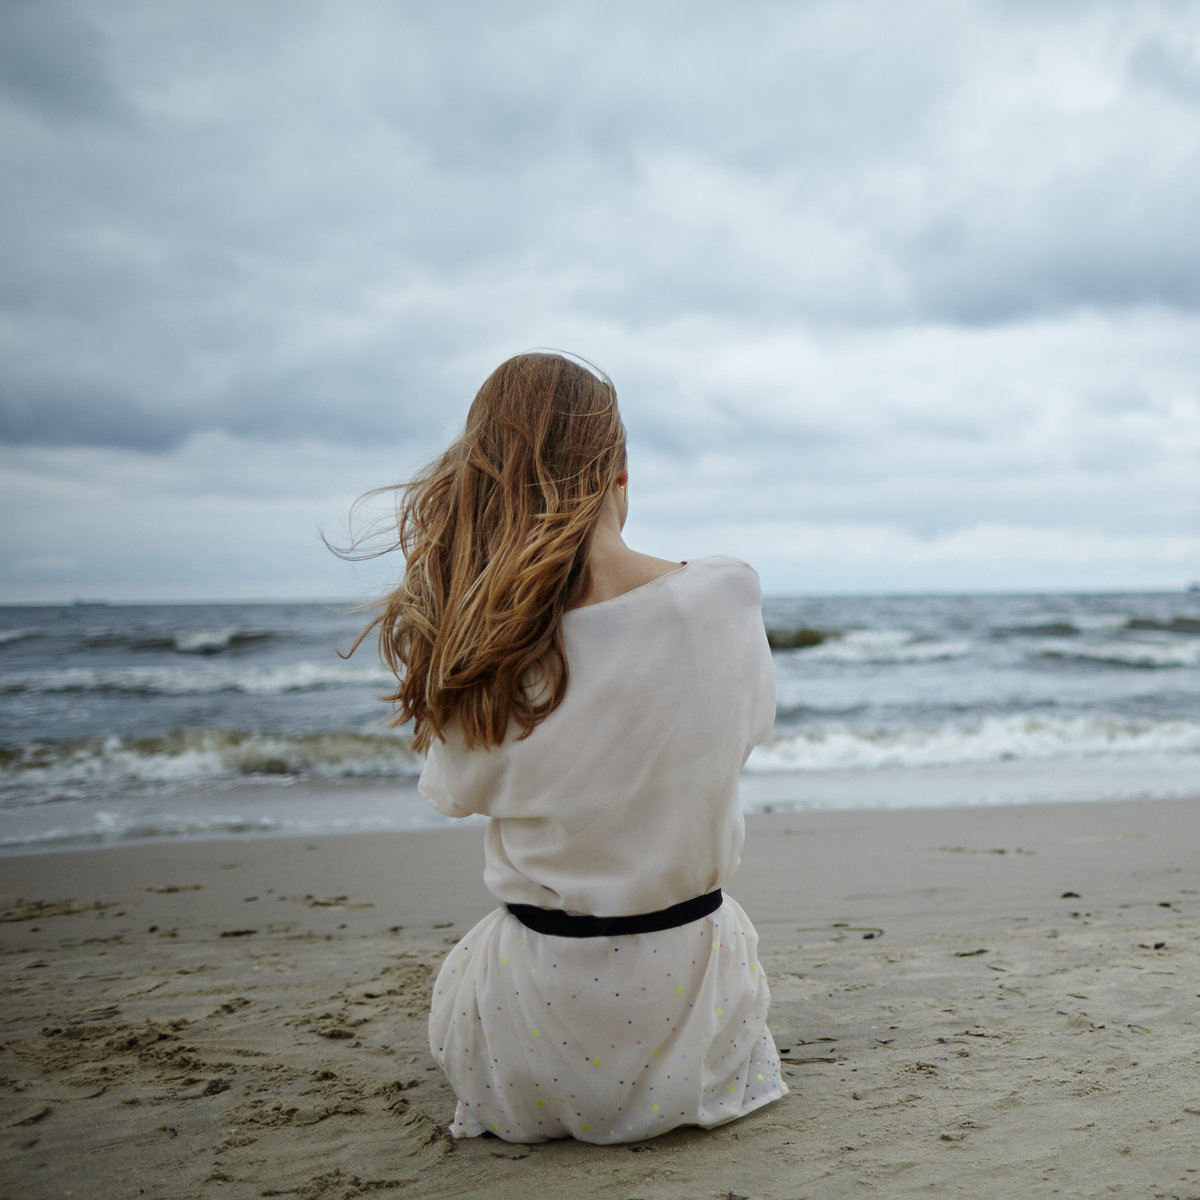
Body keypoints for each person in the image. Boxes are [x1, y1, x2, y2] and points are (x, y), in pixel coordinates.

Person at [356, 351, 787, 1143]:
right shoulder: (726, 595)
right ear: (620, 472)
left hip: (533, 1033)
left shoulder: (486, 648)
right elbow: (746, 731)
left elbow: (453, 794)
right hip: (690, 1005)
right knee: (732, 930)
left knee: (470, 965)